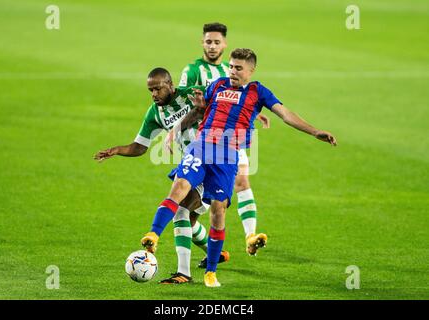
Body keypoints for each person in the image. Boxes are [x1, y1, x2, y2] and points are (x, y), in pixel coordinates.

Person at [141, 48, 337, 287]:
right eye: (231, 66)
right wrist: (176, 129)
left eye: (238, 68)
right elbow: (199, 112)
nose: (232, 71)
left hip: (227, 156)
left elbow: (285, 114)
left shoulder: (258, 92)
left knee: (217, 211)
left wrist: (315, 131)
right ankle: (153, 235)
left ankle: (211, 272)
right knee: (179, 187)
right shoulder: (217, 85)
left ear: (251, 70)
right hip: (202, 146)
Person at [94, 67, 226, 284]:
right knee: (188, 219)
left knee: (181, 210)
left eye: (157, 89)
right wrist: (116, 150)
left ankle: (184, 273)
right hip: (192, 164)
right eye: (150, 90)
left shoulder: (191, 93)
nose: (154, 94)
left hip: (213, 160)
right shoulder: (154, 113)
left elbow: (224, 102)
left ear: (170, 85)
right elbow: (140, 146)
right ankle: (216, 253)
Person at [178, 22, 270, 265]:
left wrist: (254, 113)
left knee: (241, 180)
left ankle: (250, 235)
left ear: (224, 44)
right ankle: (214, 251)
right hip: (201, 142)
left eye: (217, 42)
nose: (212, 46)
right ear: (202, 42)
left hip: (229, 142)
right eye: (208, 41)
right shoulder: (194, 70)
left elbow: (237, 100)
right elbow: (189, 102)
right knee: (191, 212)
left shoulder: (227, 73)